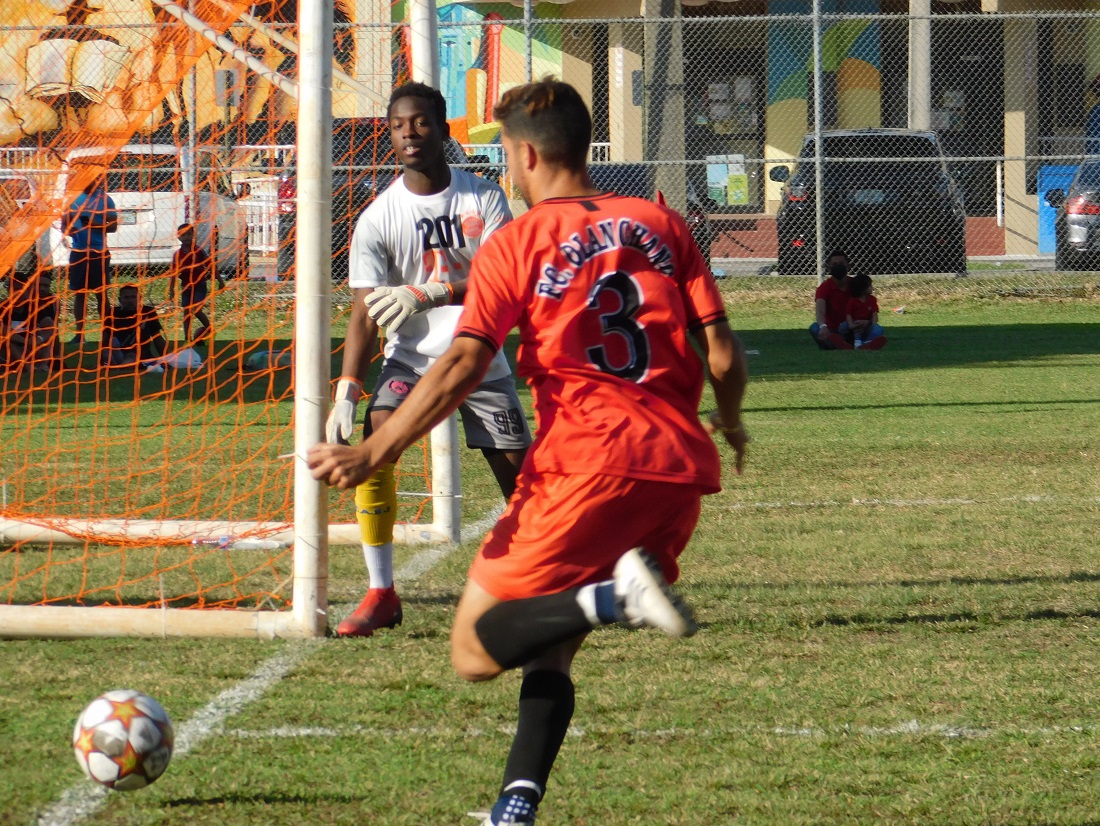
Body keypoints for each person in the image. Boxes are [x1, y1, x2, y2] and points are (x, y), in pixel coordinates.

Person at [308, 78, 750, 825]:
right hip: (675, 470)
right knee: (553, 640)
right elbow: (722, 352)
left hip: (583, 462)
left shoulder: (518, 239)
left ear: (523, 153)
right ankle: (515, 806)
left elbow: (461, 364)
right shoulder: (659, 222)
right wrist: (732, 422)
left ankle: (616, 595)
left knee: (475, 651)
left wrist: (376, 448)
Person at [325, 82, 531, 638]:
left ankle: (539, 586)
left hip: (480, 358)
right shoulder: (377, 218)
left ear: (443, 130)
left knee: (522, 485)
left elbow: (503, 277)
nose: (409, 133)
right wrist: (348, 383)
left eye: (420, 122)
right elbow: (365, 312)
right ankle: (381, 593)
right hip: (412, 363)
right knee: (375, 443)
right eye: (398, 125)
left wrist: (432, 292)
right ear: (389, 136)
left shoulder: (484, 197)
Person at [64, 174, 116, 347]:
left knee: (101, 294)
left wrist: (95, 224)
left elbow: (114, 226)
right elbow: (66, 225)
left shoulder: (105, 199)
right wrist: (69, 230)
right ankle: (80, 335)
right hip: (79, 252)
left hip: (98, 253)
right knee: (80, 294)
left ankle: (107, 334)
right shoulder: (72, 198)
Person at [167, 223, 224, 343]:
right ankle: (187, 339)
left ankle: (209, 329)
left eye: (189, 234)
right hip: (186, 287)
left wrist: (220, 280)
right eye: (183, 235)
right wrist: (171, 290)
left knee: (196, 310)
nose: (186, 237)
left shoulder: (198, 251)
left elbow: (210, 265)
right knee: (187, 312)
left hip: (199, 286)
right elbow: (173, 274)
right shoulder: (178, 255)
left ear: (193, 235)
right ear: (178, 237)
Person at [100, 283, 166, 366]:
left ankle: (119, 367)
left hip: (138, 353)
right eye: (126, 297)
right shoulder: (113, 313)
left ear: (140, 298)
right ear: (120, 300)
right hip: (118, 351)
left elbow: (157, 337)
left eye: (133, 297)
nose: (130, 300)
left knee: (130, 357)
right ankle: (115, 365)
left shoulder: (147, 312)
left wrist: (167, 358)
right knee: (106, 353)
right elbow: (105, 337)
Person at [7, 272, 61, 372]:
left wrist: (39, 339)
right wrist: (27, 342)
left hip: (31, 348)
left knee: (47, 336)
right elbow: (4, 332)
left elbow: (52, 328)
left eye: (20, 289)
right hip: (11, 350)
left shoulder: (34, 307)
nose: (17, 293)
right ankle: (29, 368)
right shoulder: (4, 308)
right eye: (14, 289)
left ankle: (44, 365)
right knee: (9, 342)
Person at [809, 248, 853, 349]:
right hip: (830, 329)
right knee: (814, 327)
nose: (838, 266)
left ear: (848, 265)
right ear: (829, 267)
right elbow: (820, 310)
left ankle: (837, 345)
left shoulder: (855, 285)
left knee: (877, 329)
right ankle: (837, 344)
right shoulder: (824, 288)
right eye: (834, 264)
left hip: (851, 326)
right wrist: (823, 326)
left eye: (841, 263)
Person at [844, 272, 887, 350]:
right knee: (843, 326)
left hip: (868, 325)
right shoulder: (853, 301)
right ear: (862, 289)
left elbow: (874, 314)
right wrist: (851, 325)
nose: (872, 288)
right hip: (855, 324)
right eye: (870, 286)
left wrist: (872, 324)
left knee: (879, 329)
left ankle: (867, 343)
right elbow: (848, 314)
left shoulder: (872, 300)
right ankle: (848, 343)